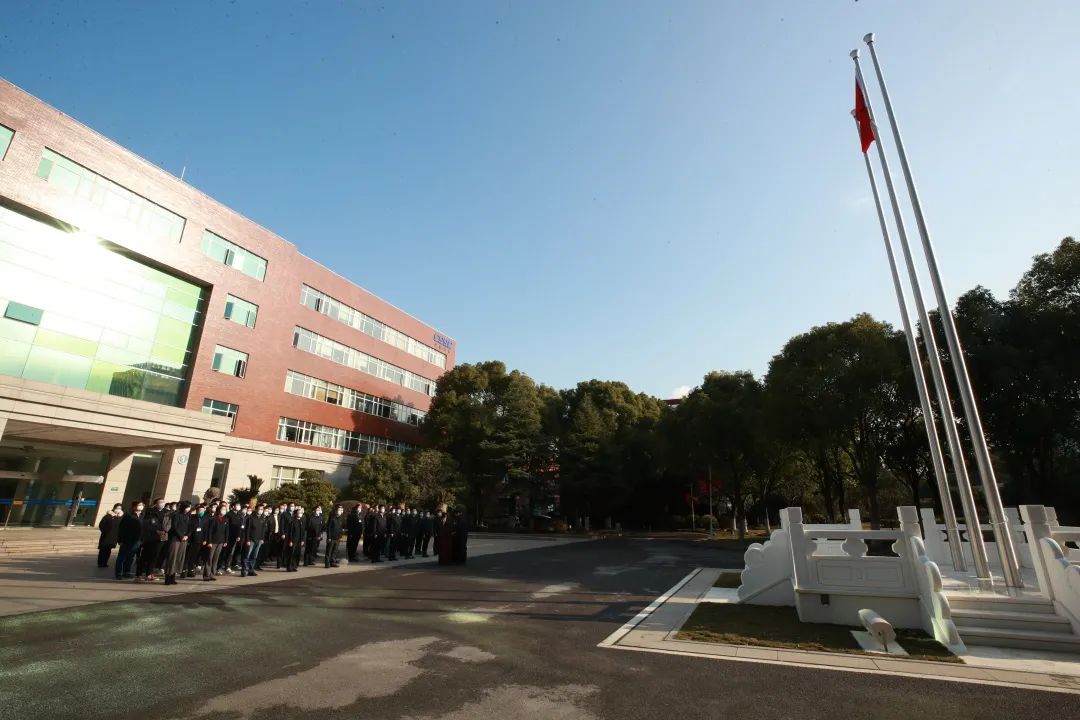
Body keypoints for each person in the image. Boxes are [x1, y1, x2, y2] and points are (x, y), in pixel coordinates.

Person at [136, 497, 166, 581]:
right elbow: (147, 524)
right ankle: (138, 575)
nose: (162, 503)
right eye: (160, 502)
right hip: (149, 537)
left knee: (154, 556)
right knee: (145, 556)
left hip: (161, 537)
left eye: (163, 502)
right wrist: (156, 530)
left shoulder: (166, 512)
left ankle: (149, 574)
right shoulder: (150, 511)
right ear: (156, 504)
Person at [164, 501, 192, 586]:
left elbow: (190, 527)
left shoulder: (188, 516)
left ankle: (173, 576)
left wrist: (187, 535)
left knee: (179, 558)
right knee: (172, 557)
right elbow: (174, 526)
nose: (189, 509)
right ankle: (168, 577)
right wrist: (181, 536)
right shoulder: (176, 515)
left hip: (184, 540)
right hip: (175, 539)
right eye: (187, 507)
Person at [115, 501, 143, 579]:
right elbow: (121, 528)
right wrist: (120, 540)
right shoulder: (128, 515)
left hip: (137, 540)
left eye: (142, 505)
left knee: (130, 557)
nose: (141, 506)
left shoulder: (142, 515)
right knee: (121, 557)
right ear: (134, 506)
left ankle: (126, 572)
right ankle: (118, 573)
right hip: (126, 540)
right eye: (139, 505)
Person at [186, 504, 211, 578]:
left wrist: (205, 539)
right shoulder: (192, 518)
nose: (201, 512)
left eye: (203, 510)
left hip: (202, 540)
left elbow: (206, 530)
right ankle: (190, 569)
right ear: (197, 511)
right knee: (192, 555)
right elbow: (190, 529)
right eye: (200, 510)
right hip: (194, 540)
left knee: (200, 555)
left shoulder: (206, 518)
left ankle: (197, 566)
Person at [205, 504, 229, 580]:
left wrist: (225, 541)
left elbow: (226, 531)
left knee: (216, 558)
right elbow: (210, 531)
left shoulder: (225, 519)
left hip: (221, 541)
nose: (224, 511)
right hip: (213, 541)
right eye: (223, 509)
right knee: (209, 558)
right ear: (218, 510)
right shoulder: (213, 519)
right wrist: (209, 542)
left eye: (225, 509)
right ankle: (206, 575)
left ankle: (212, 574)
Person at [97, 503, 123, 569]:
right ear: (114, 508)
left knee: (108, 550)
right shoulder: (108, 516)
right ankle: (100, 563)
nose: (118, 509)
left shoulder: (120, 517)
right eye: (117, 508)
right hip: (106, 536)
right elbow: (101, 525)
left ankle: (105, 562)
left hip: (114, 537)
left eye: (120, 508)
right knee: (103, 550)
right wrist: (106, 531)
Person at [242, 504, 265, 577]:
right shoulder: (251, 518)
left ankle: (251, 570)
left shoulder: (262, 518)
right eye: (260, 509)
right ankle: (244, 570)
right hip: (251, 540)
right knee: (247, 555)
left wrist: (262, 538)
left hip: (259, 540)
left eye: (262, 509)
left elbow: (263, 530)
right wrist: (247, 540)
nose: (261, 510)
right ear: (256, 509)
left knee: (254, 556)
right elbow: (247, 530)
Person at [286, 507, 305, 572]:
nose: (300, 514)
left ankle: (295, 566)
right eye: (299, 513)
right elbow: (290, 532)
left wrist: (302, 540)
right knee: (291, 554)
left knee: (297, 554)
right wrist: (290, 541)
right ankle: (289, 567)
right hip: (293, 541)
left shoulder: (301, 522)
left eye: (301, 513)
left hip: (299, 541)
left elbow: (302, 532)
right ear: (295, 514)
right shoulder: (292, 522)